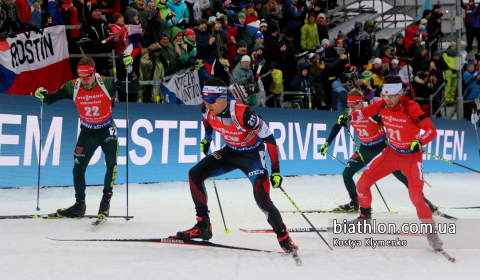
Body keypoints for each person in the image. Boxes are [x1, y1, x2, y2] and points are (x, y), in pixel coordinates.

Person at [174, 78, 299, 256]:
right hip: (230, 152)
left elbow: (269, 138)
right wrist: (207, 138)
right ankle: (203, 226)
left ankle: (284, 238)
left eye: (211, 100)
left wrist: (276, 171)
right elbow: (207, 121)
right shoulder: (207, 109)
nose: (207, 104)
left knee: (261, 197)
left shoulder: (244, 114)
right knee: (195, 174)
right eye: (205, 100)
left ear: (223, 97)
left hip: (253, 156)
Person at [338, 75, 443, 250]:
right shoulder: (383, 104)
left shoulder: (411, 107)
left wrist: (420, 142)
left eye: (391, 96)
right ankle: (365, 218)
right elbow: (364, 112)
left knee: (416, 198)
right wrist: (350, 117)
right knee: (362, 184)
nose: (387, 100)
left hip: (411, 158)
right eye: (385, 96)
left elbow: (431, 131)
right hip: (390, 154)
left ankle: (432, 235)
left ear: (400, 93)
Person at [33, 55, 140, 219]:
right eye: (81, 77)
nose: (84, 80)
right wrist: (41, 94)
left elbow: (134, 88)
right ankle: (79, 205)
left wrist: (130, 70)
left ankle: (105, 204)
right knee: (77, 169)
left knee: (111, 164)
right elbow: (49, 100)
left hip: (106, 130)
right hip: (87, 132)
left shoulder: (107, 83)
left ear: (94, 73)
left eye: (87, 77)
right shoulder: (73, 86)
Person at [320, 88, 440, 214]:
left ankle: (425, 202)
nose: (351, 109)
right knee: (346, 174)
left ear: (361, 102)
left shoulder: (373, 112)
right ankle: (355, 203)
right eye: (349, 106)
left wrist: (405, 141)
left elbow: (393, 123)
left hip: (382, 148)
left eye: (353, 106)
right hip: (365, 149)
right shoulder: (348, 113)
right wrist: (327, 143)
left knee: (403, 177)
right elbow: (338, 125)